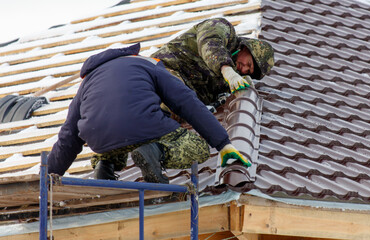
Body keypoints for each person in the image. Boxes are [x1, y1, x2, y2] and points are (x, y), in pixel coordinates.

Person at [47, 43, 250, 183]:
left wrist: (47, 177)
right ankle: (156, 152)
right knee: (198, 148)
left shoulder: (87, 82)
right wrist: (223, 144)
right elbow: (186, 102)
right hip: (145, 128)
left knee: (116, 138)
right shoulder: (149, 64)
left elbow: (68, 137)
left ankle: (103, 165)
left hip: (100, 140)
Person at [151, 17, 275, 106]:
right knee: (173, 94)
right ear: (246, 49)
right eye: (248, 64)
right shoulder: (223, 29)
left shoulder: (227, 83)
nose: (243, 69)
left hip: (180, 97)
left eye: (248, 71)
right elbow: (209, 42)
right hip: (160, 69)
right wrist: (227, 70)